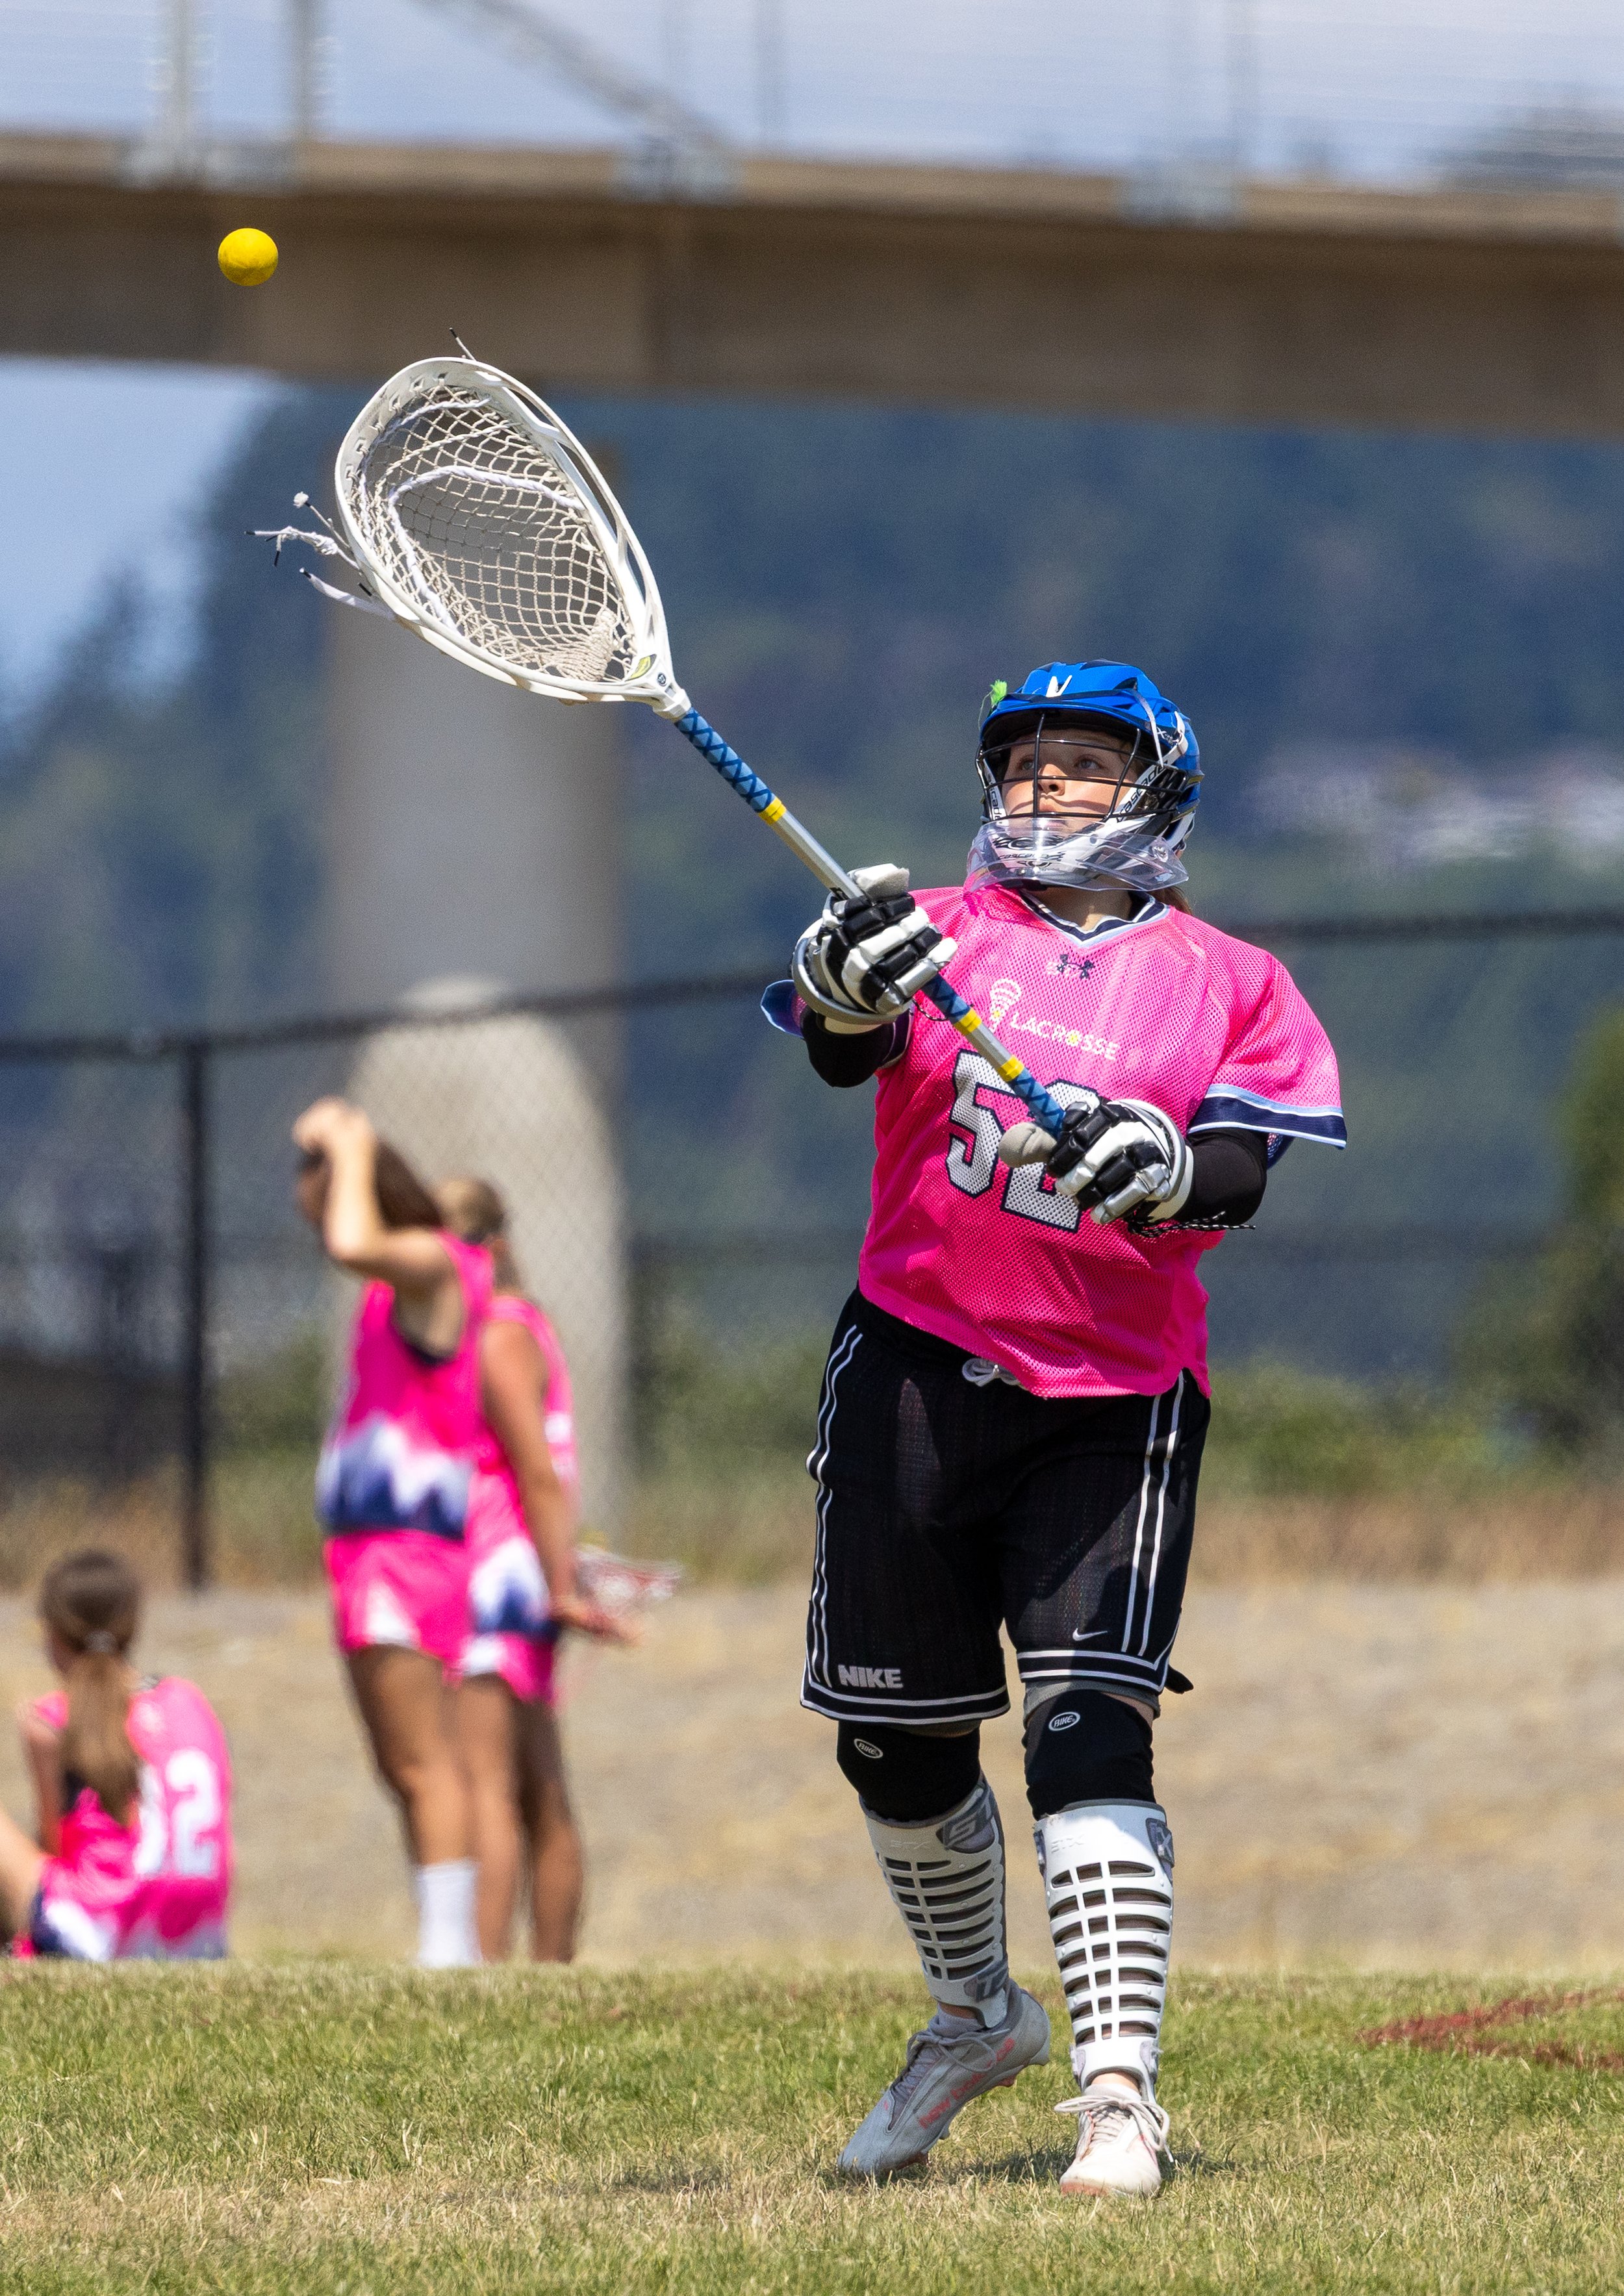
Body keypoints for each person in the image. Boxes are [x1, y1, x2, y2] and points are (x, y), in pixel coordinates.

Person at [764, 659, 1344, 2195]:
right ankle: (971, 2019)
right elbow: (839, 1050)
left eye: (1080, 766)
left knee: (1088, 1732)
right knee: (894, 1744)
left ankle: (1116, 2102)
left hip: (1114, 1397)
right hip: (910, 1362)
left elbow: (1240, 1173)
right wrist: (839, 989)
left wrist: (1161, 1157)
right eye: (1021, 767)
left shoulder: (1232, 978)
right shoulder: (936, 933)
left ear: (1158, 784)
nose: (1042, 792)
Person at [294, 1095, 495, 1969]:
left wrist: (347, 1139)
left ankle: (449, 1951)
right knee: (400, 1761)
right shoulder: (390, 1288)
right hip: (369, 1551)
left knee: (425, 1760)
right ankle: (442, 1934)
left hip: (407, 1555)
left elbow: (348, 1241)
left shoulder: (431, 1261)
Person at [435, 1175, 627, 1962]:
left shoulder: (497, 1336)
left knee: (487, 1786)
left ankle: (485, 1970)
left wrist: (559, 1584)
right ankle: (551, 1968)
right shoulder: (529, 1326)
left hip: (495, 1574)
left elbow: (534, 1472)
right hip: (522, 1570)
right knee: (539, 1782)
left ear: (492, 1251)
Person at [0, 1548, 232, 1962]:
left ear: (52, 1633)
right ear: (132, 1625)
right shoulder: (188, 1700)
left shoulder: (49, 1720)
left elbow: (54, 1849)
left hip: (100, 1935)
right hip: (200, 1939)